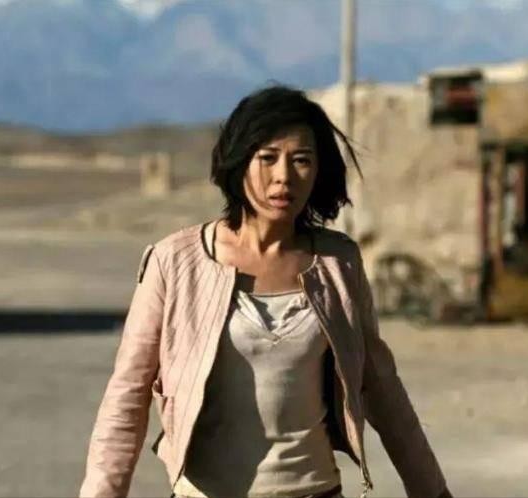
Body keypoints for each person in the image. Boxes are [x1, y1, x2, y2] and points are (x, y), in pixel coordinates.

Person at [80, 86, 451, 498]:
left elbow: (382, 389)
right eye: (268, 158)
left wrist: (432, 491)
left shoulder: (338, 263)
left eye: (301, 160)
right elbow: (127, 398)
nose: (283, 177)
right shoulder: (175, 263)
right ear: (239, 160)